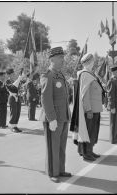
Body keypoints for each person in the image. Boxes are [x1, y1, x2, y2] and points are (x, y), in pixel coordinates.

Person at [39, 47, 72, 183]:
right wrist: (51, 118)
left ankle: (60, 169)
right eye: (60, 58)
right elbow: (46, 98)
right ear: (52, 59)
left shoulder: (61, 75)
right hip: (53, 119)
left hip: (63, 116)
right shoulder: (47, 75)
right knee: (53, 146)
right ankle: (52, 172)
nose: (63, 60)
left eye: (63, 57)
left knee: (61, 145)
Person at [70, 53, 103, 161]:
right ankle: (87, 153)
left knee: (92, 131)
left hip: (95, 109)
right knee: (89, 132)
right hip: (91, 110)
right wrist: (88, 109)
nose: (94, 62)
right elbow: (85, 94)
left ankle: (88, 150)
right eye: (92, 60)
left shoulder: (90, 74)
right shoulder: (85, 75)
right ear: (89, 62)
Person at [5, 68, 25, 133]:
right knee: (13, 112)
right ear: (9, 75)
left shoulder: (15, 80)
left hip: (17, 97)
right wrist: (19, 78)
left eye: (13, 73)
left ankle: (15, 125)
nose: (13, 75)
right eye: (12, 74)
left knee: (18, 112)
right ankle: (12, 126)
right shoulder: (7, 81)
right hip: (12, 98)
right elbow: (13, 88)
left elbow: (20, 87)